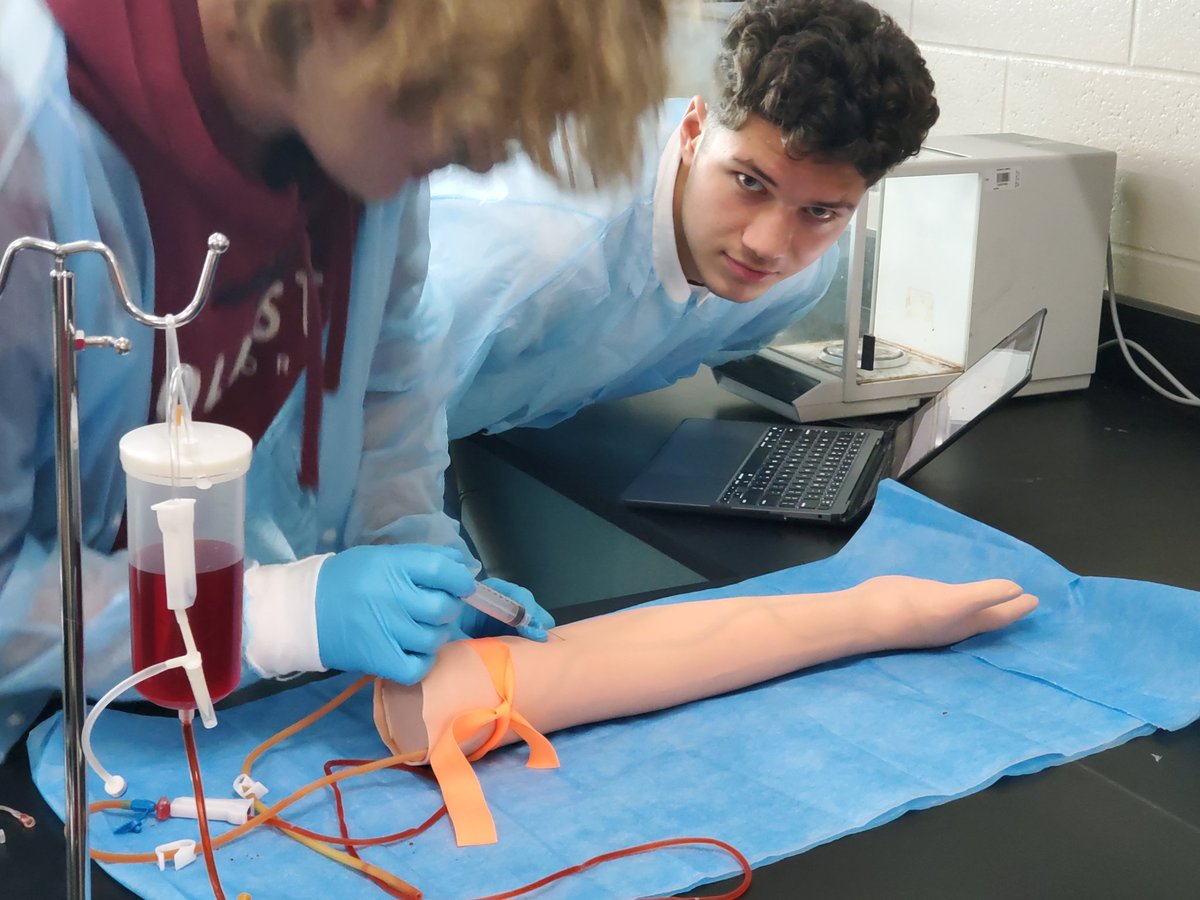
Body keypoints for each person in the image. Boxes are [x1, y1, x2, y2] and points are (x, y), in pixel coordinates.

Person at [0, 0, 676, 761]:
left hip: (210, 703)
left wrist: (417, 558)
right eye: (456, 131)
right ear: (338, 13)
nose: (485, 165)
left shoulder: (352, 113)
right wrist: (280, 617)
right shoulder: (24, 144)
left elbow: (392, 373)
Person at [424, 0, 940, 442]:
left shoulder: (795, 282)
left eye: (820, 211)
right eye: (749, 183)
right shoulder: (537, 245)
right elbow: (364, 425)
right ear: (695, 131)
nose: (766, 246)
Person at [375, 574, 1039, 846]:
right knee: (576, 668)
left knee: (580, 658)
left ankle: (875, 608)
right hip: (452, 698)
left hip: (456, 680)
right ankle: (877, 610)